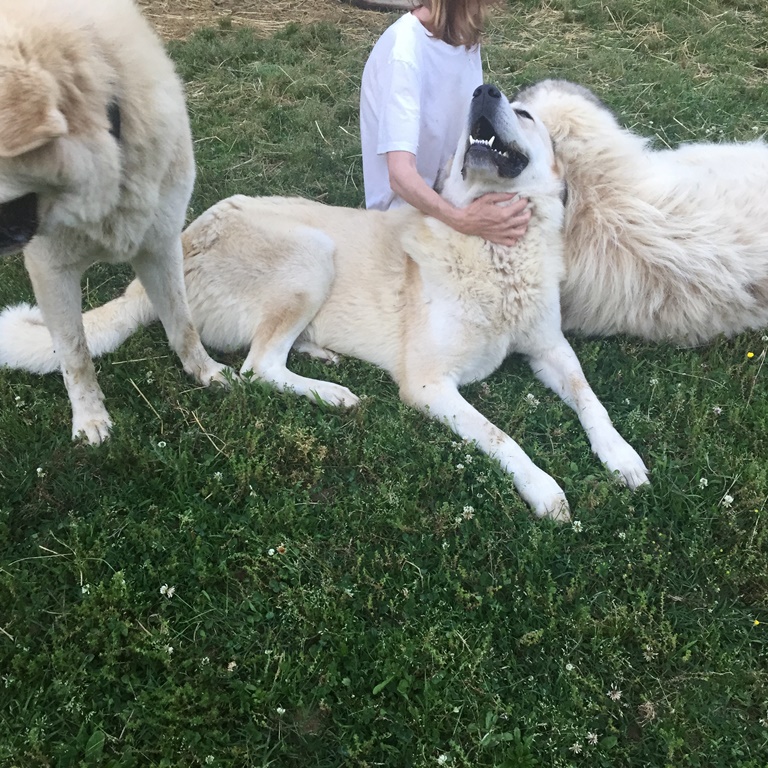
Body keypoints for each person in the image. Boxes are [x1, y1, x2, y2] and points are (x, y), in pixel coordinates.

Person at [360, 0, 530, 246]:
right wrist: (462, 220)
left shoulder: (464, 38)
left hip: (451, 197)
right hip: (403, 225)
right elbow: (400, 175)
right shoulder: (404, 51)